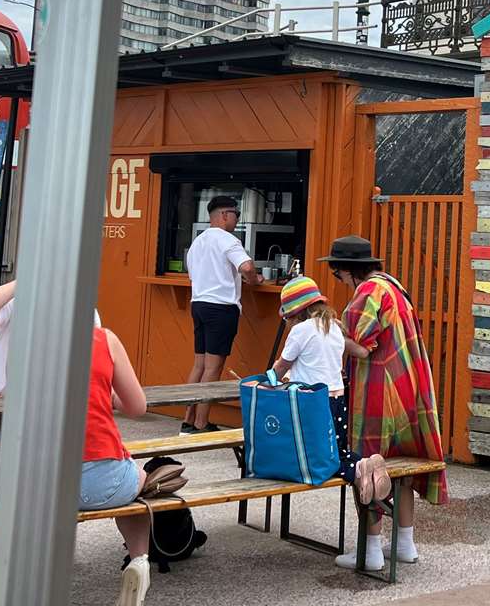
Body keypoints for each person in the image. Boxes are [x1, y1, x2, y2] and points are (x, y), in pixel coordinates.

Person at [0, 281, 101, 590]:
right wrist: (24, 278)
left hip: (43, 422)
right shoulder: (22, 301)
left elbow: (91, 368)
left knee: (57, 472)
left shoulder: (86, 314)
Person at [323, 235, 447, 572]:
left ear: (347, 270)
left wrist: (331, 331)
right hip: (407, 386)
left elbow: (361, 345)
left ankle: (371, 550)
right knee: (399, 467)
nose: (339, 279)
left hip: (377, 390)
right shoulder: (393, 286)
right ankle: (404, 543)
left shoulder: (368, 292)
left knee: (367, 465)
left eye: (338, 273)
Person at [81, 325, 153, 606]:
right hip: (102, 479)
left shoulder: (27, 337)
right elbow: (138, 407)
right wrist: (109, 395)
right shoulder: (104, 339)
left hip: (42, 485)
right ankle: (139, 560)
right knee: (138, 476)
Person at [270, 276, 365, 482]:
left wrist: (269, 379)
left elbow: (284, 364)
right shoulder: (334, 328)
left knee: (318, 456)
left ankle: (357, 472)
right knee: (336, 450)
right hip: (338, 399)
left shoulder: (300, 330)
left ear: (295, 314)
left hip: (311, 401)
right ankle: (363, 465)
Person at [182, 195, 261, 434]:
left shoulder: (198, 242)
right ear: (225, 214)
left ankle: (187, 420)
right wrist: (255, 280)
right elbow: (246, 267)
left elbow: (192, 274)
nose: (237, 220)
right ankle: (201, 424)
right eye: (236, 215)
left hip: (199, 303)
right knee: (213, 368)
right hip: (221, 308)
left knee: (199, 365)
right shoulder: (228, 240)